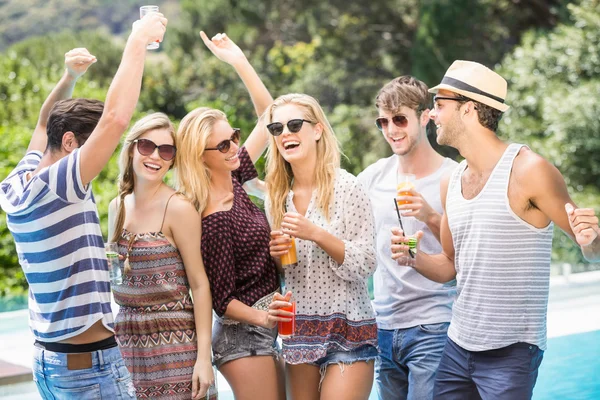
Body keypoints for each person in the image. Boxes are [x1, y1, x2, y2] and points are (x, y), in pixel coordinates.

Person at [391, 60, 600, 400]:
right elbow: (449, 266)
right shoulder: (451, 180)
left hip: (511, 352)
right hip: (457, 347)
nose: (432, 115)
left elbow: (591, 249)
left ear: (469, 109)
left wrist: (592, 240)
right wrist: (411, 256)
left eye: (440, 105)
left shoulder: (530, 170)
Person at [0, 15, 167, 399]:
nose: (100, 161)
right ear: (73, 143)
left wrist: (69, 78)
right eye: (95, 150)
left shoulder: (18, 183)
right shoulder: (58, 186)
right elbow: (116, 118)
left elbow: (44, 124)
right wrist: (138, 40)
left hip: (51, 363)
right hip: (88, 368)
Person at [175, 32, 285, 400]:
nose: (235, 147)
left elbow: (270, 118)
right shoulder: (212, 217)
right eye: (223, 145)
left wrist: (239, 60)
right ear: (199, 155)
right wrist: (264, 320)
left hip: (266, 328)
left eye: (234, 136)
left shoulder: (237, 175)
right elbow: (221, 299)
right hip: (245, 337)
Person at [265, 93, 378, 400]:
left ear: (317, 130)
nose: (285, 133)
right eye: (277, 128)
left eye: (294, 124)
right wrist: (277, 257)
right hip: (298, 331)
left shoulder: (348, 187)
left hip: (348, 329)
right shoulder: (276, 198)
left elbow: (367, 264)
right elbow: (287, 272)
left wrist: (316, 233)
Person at [357, 76, 457, 400]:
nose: (391, 130)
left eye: (400, 119)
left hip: (433, 326)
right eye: (383, 122)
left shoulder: (452, 176)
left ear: (425, 116)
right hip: (383, 327)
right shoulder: (374, 177)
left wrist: (430, 216)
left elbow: (465, 251)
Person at [107, 113, 215, 399]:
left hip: (175, 345)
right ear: (131, 148)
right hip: (127, 344)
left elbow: (200, 285)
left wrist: (203, 360)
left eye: (165, 150)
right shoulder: (116, 206)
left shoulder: (178, 208)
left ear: (172, 159)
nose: (155, 156)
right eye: (146, 146)